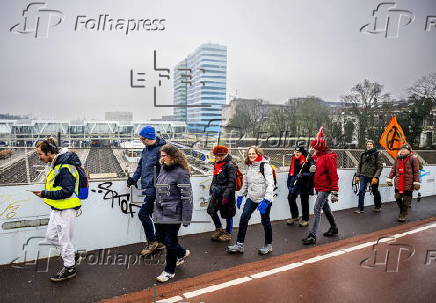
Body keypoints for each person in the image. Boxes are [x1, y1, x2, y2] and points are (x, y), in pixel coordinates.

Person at [33, 138, 82, 282]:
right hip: (57, 208)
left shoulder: (65, 166)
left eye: (40, 154)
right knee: (51, 237)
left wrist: (44, 194)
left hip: (65, 209)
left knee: (64, 240)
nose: (39, 157)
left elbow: (67, 191)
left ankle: (70, 268)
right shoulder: (57, 164)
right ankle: (72, 255)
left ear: (49, 152)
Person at [154, 144, 193, 282]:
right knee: (160, 237)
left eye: (164, 155)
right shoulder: (163, 168)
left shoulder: (181, 173)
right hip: (160, 210)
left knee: (170, 242)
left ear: (172, 156)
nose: (162, 158)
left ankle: (169, 271)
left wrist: (186, 218)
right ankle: (181, 252)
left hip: (173, 213)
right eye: (161, 155)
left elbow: (187, 197)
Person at [127, 126, 166, 256]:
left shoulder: (162, 151)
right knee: (155, 215)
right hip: (148, 187)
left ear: (149, 138)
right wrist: (133, 178)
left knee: (143, 214)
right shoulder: (146, 150)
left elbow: (167, 171)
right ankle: (159, 241)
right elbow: (140, 166)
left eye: (143, 138)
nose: (141, 140)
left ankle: (152, 242)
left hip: (156, 189)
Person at [227, 146, 275, 255]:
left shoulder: (265, 166)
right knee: (244, 217)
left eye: (253, 153)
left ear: (258, 153)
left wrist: (266, 200)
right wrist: (240, 195)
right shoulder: (249, 166)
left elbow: (270, 184)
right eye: (249, 154)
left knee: (265, 221)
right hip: (252, 197)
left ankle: (268, 245)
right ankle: (239, 245)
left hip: (264, 199)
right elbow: (246, 184)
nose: (251, 156)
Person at [302, 127, 339, 245]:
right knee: (326, 208)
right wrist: (311, 165)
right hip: (319, 186)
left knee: (317, 209)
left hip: (325, 188)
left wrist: (335, 191)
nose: (313, 149)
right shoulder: (319, 155)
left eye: (315, 148)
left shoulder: (328, 157)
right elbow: (313, 159)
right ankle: (334, 227)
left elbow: (334, 175)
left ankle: (312, 235)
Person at [208, 145, 236, 242]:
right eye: (215, 155)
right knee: (211, 210)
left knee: (228, 214)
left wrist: (226, 195)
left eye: (218, 155)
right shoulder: (217, 163)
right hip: (216, 192)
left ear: (224, 155)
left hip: (226, 194)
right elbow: (215, 177)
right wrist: (211, 187)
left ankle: (228, 233)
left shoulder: (230, 165)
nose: (216, 157)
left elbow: (232, 182)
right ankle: (219, 229)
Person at [386, 144, 420, 222]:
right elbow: (393, 170)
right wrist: (389, 178)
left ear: (409, 151)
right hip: (398, 183)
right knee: (397, 197)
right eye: (402, 149)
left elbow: (416, 172)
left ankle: (403, 214)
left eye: (406, 149)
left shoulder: (413, 158)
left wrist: (416, 182)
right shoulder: (398, 158)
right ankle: (403, 210)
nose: (403, 150)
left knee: (406, 200)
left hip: (409, 183)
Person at [286, 146, 314, 227]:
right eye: (295, 151)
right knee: (290, 197)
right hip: (295, 182)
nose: (296, 153)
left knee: (304, 200)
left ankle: (305, 220)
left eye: (298, 152)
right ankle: (295, 216)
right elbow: (291, 171)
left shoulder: (308, 159)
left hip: (305, 183)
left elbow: (312, 173)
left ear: (302, 153)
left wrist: (302, 174)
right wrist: (289, 182)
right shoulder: (294, 158)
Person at [354, 140, 383, 213]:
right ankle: (360, 208)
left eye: (370, 144)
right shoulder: (363, 154)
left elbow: (380, 167)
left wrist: (376, 177)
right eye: (368, 144)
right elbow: (360, 165)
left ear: (373, 145)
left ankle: (378, 206)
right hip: (363, 175)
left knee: (375, 191)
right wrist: (357, 175)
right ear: (366, 145)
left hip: (373, 176)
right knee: (361, 191)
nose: (369, 145)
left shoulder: (377, 154)